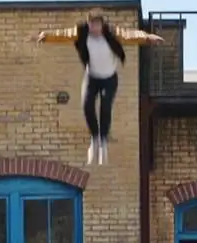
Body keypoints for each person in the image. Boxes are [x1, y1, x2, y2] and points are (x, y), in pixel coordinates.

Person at [33, 10, 163, 165]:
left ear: (102, 25)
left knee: (105, 105)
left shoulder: (112, 33)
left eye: (98, 26)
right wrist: (46, 36)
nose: (95, 29)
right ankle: (94, 138)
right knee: (86, 105)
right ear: (88, 25)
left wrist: (148, 37)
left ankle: (103, 140)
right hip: (91, 78)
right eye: (92, 26)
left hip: (109, 79)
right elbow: (64, 34)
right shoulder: (81, 33)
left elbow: (131, 35)